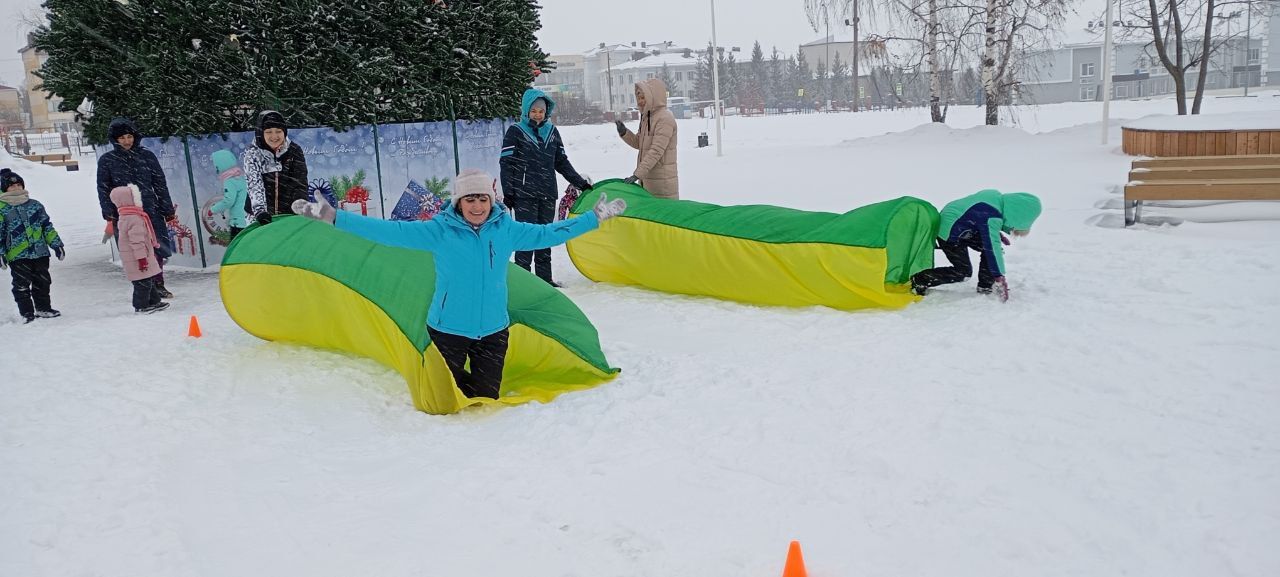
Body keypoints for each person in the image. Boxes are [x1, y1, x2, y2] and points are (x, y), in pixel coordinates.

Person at [292, 168, 626, 400]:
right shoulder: (439, 231)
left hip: (493, 331)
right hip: (447, 329)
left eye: (482, 199)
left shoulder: (505, 229)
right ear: (459, 202)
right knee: (443, 398)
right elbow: (389, 232)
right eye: (470, 200)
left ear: (491, 200)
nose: (477, 206)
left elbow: (548, 233)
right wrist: (335, 217)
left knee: (484, 397)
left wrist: (592, 219)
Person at [500, 88, 593, 287]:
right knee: (526, 238)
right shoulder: (515, 132)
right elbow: (506, 164)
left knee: (546, 237)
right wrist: (508, 192)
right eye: (533, 110)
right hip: (524, 195)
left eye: (541, 111)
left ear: (546, 112)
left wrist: (580, 183)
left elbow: (561, 162)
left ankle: (544, 280)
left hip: (547, 194)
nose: (537, 114)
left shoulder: (552, 132)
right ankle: (522, 282)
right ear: (526, 110)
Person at [910, 190, 1042, 302]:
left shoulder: (994, 199)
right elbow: (992, 246)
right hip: (949, 233)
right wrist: (999, 276)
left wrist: (995, 233)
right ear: (1018, 215)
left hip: (965, 228)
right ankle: (920, 280)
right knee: (963, 272)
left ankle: (985, 286)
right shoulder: (990, 213)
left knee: (990, 251)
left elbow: (978, 220)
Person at [97, 117, 178, 298]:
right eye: (122, 138)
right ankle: (143, 286)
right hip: (125, 214)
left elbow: (160, 183)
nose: (127, 141)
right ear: (115, 140)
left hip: (150, 210)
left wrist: (167, 209)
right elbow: (103, 188)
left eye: (129, 136)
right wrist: (109, 212)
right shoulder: (107, 160)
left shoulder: (146, 155)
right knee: (135, 249)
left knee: (155, 247)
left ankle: (158, 283)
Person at [0, 168, 65, 323]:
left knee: (42, 281)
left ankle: (43, 308)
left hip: (40, 251)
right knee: (21, 284)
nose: (16, 189)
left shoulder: (35, 205)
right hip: (17, 254)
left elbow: (46, 226)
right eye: (11, 186)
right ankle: (27, 312)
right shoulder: (2, 208)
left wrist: (56, 244)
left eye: (19, 185)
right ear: (4, 189)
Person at [108, 184, 170, 314]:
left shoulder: (127, 216)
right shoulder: (134, 218)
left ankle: (154, 301)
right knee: (143, 283)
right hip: (137, 257)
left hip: (140, 255)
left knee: (149, 280)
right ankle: (140, 306)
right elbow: (136, 242)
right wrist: (141, 259)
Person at [615, 78, 679, 200]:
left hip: (662, 184)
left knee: (662, 217)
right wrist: (624, 133)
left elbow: (656, 150)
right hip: (647, 181)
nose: (640, 101)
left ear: (653, 97)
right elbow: (639, 143)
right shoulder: (646, 117)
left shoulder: (665, 118)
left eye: (643, 97)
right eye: (638, 98)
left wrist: (637, 174)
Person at [242, 110, 308, 225]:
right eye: (268, 132)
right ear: (261, 132)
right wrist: (260, 211)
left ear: (284, 132)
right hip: (258, 216)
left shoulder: (294, 151)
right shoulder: (253, 153)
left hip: (287, 215)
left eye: (278, 131)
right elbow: (254, 183)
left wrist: (299, 205)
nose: (274, 136)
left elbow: (299, 183)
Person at [209, 149, 249, 240]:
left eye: (216, 165)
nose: (216, 168)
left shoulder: (230, 181)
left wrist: (213, 209)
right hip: (248, 220)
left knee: (236, 248)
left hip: (238, 222)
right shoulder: (240, 176)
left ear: (221, 164)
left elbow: (229, 200)